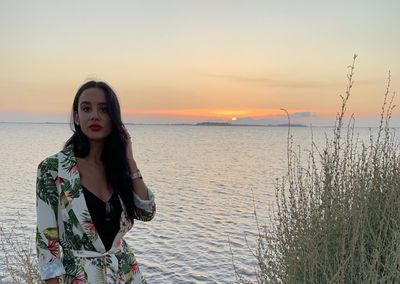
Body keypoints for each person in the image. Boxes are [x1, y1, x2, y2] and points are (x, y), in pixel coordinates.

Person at [36, 81, 156, 283]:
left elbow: (146, 213)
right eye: (86, 108)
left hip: (126, 274)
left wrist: (131, 162)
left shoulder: (118, 168)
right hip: (80, 276)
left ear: (114, 118)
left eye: (104, 109)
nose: (94, 115)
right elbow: (47, 241)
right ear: (76, 116)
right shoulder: (53, 168)